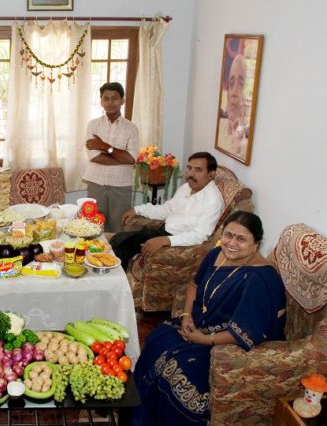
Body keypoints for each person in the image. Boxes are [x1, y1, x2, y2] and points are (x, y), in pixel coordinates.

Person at [132, 211, 287, 425]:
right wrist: (186, 316)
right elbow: (194, 286)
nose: (231, 243)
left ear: (255, 244)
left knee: (177, 370)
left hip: (233, 344)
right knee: (158, 338)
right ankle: (139, 413)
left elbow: (247, 331)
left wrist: (203, 340)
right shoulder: (217, 255)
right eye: (228, 235)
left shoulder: (259, 279)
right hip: (200, 324)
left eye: (241, 239)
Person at [111, 152, 224, 270]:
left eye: (198, 170)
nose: (191, 174)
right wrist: (136, 210)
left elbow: (200, 235)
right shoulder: (187, 187)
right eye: (189, 168)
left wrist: (166, 240)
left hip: (178, 242)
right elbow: (166, 209)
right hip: (163, 231)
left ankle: (112, 279)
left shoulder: (213, 201)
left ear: (211, 174)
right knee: (120, 240)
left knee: (122, 248)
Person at [82, 82, 139, 233]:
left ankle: (116, 257)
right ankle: (94, 257)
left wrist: (103, 146)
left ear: (122, 100)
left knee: (118, 229)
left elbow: (131, 159)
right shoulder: (93, 125)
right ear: (101, 101)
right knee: (94, 227)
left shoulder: (131, 128)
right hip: (96, 182)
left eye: (115, 98)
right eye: (106, 98)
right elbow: (94, 157)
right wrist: (121, 156)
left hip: (121, 185)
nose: (110, 102)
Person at [217, 54, 249, 159]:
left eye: (241, 84)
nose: (234, 92)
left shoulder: (247, 140)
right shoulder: (220, 126)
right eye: (231, 83)